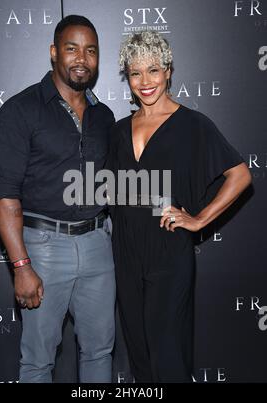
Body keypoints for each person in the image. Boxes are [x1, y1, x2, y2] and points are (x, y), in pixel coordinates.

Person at [107, 31, 252, 382]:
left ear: (169, 72)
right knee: (140, 359)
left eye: (154, 70)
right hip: (125, 256)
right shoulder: (117, 130)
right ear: (127, 76)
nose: (145, 82)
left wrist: (199, 219)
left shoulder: (193, 125)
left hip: (169, 255)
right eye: (136, 72)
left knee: (169, 360)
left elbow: (240, 176)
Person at [0, 15, 116, 383]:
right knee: (38, 361)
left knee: (99, 351)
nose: (82, 58)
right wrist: (21, 265)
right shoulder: (20, 110)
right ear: (53, 52)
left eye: (90, 51)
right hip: (43, 249)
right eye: (72, 48)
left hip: (97, 244)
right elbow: (4, 194)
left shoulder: (104, 116)